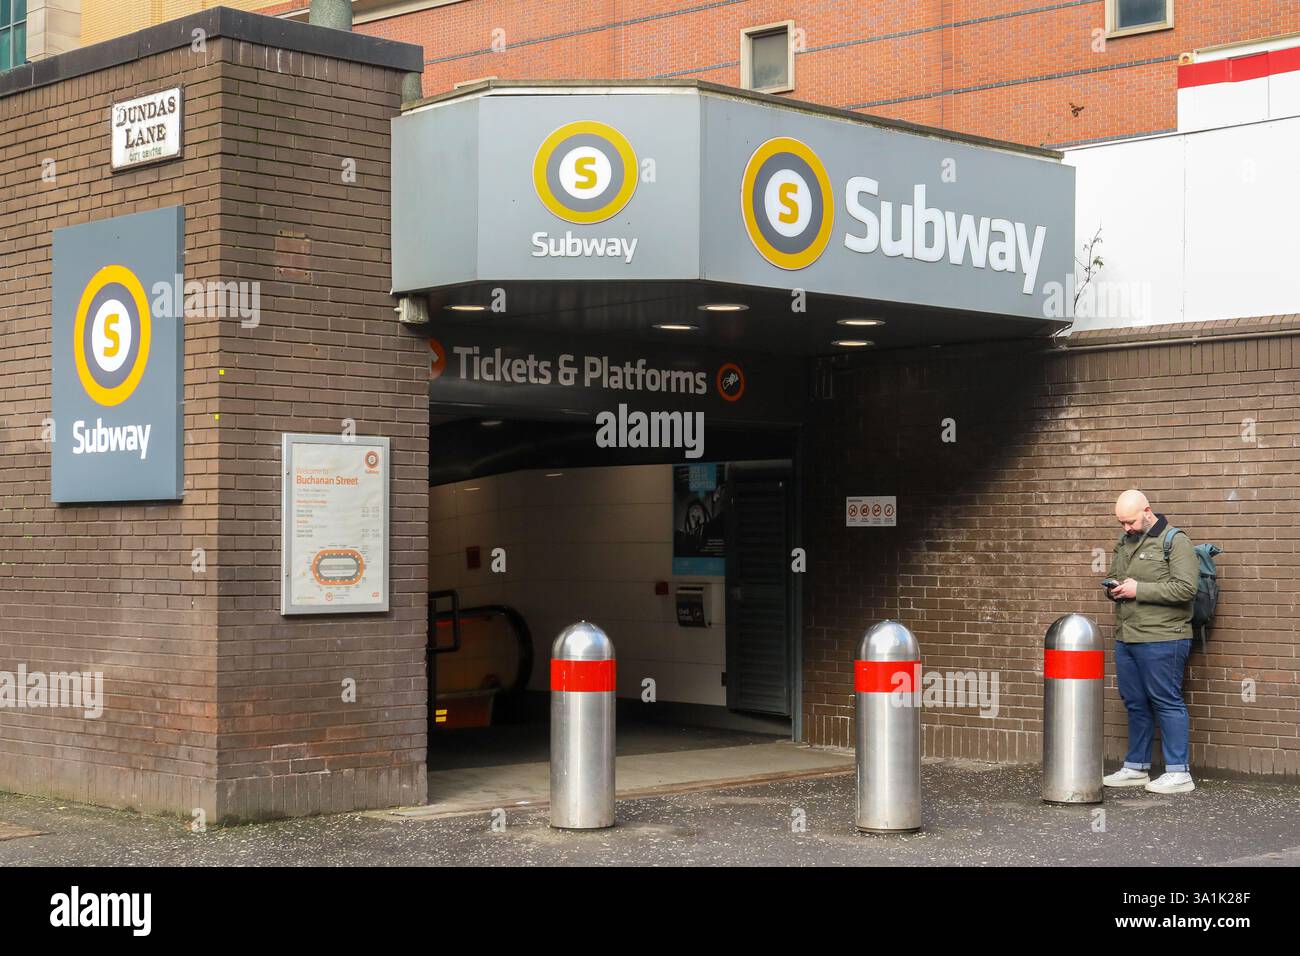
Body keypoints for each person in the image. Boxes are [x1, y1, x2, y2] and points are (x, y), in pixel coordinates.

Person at [1102, 489, 1199, 794]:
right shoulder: (1124, 541)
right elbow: (1116, 576)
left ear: (1147, 511)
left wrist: (1138, 590)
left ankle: (1179, 773)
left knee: (1167, 701)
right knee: (1135, 703)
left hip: (1164, 638)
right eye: (1121, 523)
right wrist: (1113, 587)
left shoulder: (1176, 541)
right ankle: (1136, 767)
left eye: (1129, 521)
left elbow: (1186, 589)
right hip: (1128, 636)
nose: (1126, 528)